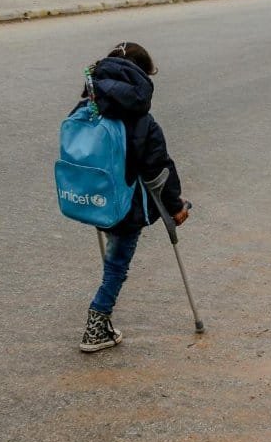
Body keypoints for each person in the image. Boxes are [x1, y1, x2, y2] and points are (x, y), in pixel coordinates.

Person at [74, 42, 188, 352]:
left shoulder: (87, 108)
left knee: (113, 253)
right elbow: (158, 172)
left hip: (92, 198)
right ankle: (96, 326)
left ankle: (101, 316)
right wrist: (176, 207)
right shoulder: (142, 122)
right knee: (117, 266)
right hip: (126, 206)